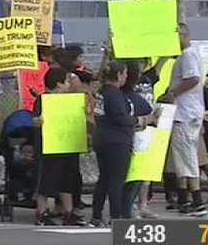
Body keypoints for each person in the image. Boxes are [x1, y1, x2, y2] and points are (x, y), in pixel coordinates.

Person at [32, 66, 86, 226]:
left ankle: (68, 212)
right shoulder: (43, 100)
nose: (69, 84)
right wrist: (38, 121)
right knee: (46, 180)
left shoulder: (69, 101)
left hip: (65, 144)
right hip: (49, 146)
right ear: (58, 84)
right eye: (66, 81)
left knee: (66, 179)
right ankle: (41, 213)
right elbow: (34, 119)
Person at [163, 23, 207, 216]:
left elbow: (193, 79)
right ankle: (183, 196)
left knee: (187, 157)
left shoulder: (188, 55)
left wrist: (172, 93)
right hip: (189, 112)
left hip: (185, 113)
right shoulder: (190, 54)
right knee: (180, 157)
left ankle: (197, 199)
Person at [91, 61, 136, 224]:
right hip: (117, 140)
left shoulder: (101, 92)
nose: (126, 77)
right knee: (117, 180)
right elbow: (121, 118)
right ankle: (115, 216)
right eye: (124, 74)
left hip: (101, 138)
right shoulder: (114, 94)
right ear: (118, 76)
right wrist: (139, 120)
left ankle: (96, 215)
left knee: (104, 178)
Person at [122, 62, 159, 220]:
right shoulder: (127, 95)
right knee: (133, 177)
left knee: (139, 176)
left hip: (140, 135)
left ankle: (136, 206)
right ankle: (127, 208)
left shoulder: (145, 81)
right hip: (133, 136)